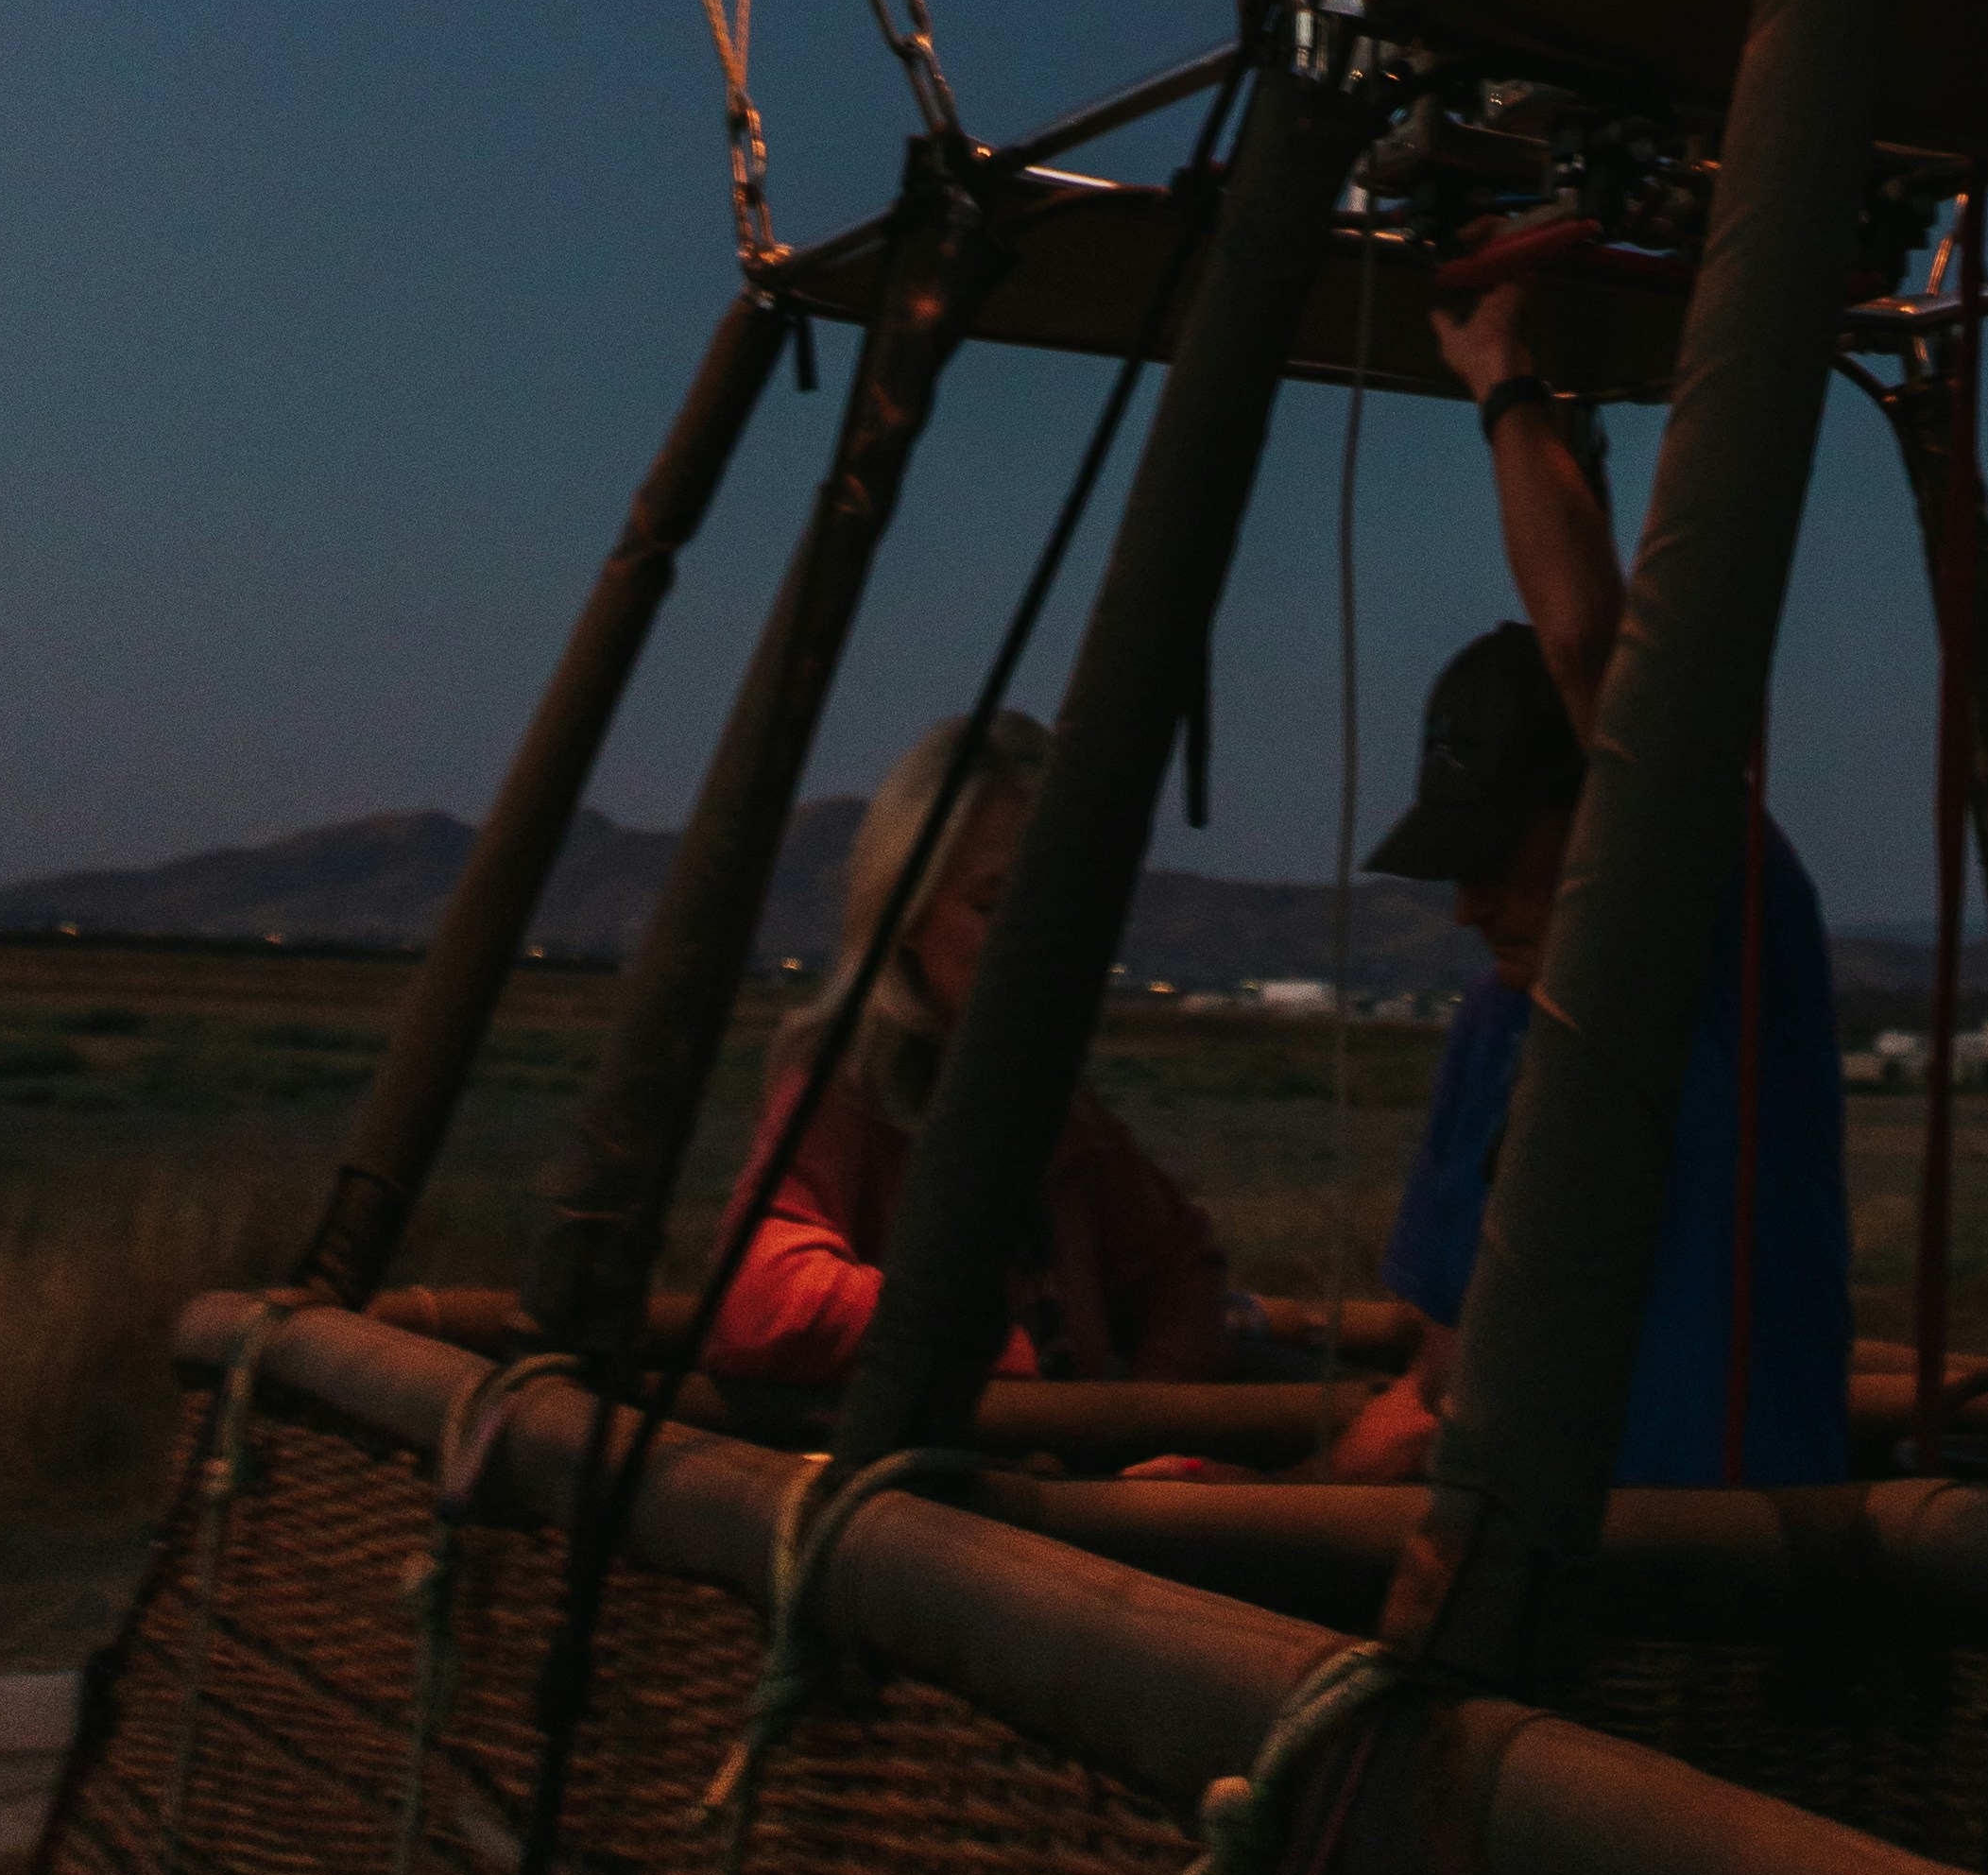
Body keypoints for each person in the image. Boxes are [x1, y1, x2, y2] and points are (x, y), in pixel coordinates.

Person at [1325, 235, 1853, 1488]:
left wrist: (1503, 382)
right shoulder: (1491, 1034)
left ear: (1603, 811)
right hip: (1529, 1591)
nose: (1467, 905)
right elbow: (1443, 1379)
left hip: (1717, 1577)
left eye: (1502, 856)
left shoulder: (1714, 932)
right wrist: (1240, 1528)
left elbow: (1594, 656)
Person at [698, 703, 1269, 1429]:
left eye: (1063, 905)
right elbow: (758, 1297)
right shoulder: (849, 1089)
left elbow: (1178, 1267)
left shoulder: (1060, 1107)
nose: (1037, 940)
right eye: (995, 904)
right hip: (918, 1501)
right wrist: (976, 1340)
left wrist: (1151, 1420)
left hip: (1057, 1490)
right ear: (905, 912)